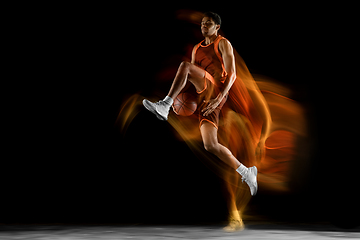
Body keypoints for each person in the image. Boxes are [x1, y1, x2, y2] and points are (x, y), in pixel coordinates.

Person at [142, 12, 257, 231]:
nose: (204, 27)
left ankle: (165, 104)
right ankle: (246, 172)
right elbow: (191, 81)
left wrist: (220, 98)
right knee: (210, 145)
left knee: (184, 66)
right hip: (204, 95)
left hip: (216, 90)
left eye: (209, 24)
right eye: (203, 24)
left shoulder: (223, 43)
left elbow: (232, 74)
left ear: (217, 27)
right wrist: (185, 104)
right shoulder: (197, 48)